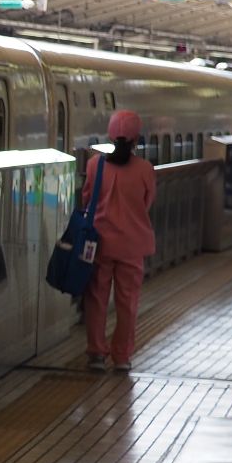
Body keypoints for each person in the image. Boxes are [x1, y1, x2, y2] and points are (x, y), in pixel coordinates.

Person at [82, 111, 158, 372]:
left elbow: (86, 199)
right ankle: (122, 357)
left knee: (96, 299)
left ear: (110, 135)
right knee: (128, 302)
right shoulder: (145, 169)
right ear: (137, 138)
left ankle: (96, 353)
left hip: (99, 244)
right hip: (132, 245)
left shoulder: (95, 165)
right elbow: (146, 203)